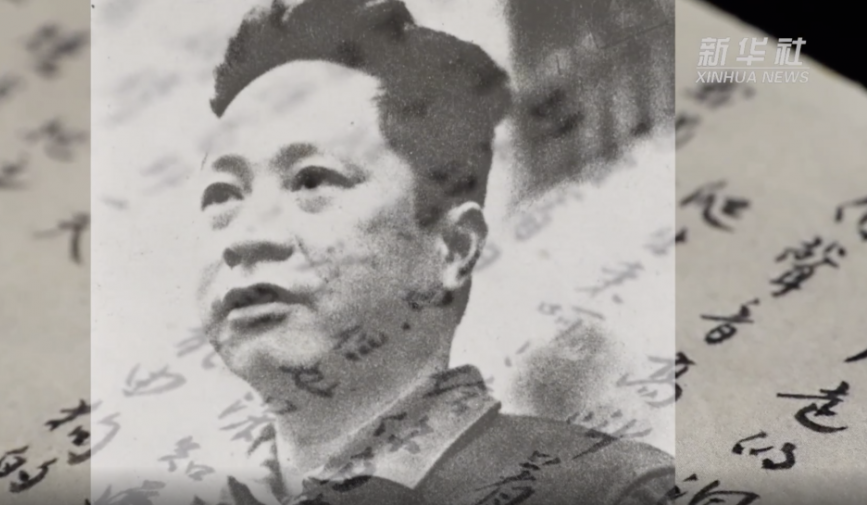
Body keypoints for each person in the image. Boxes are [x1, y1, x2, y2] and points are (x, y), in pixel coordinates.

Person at [193, 0, 673, 503]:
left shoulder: (613, 489)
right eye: (222, 194)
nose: (244, 237)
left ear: (455, 246)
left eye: (312, 181)